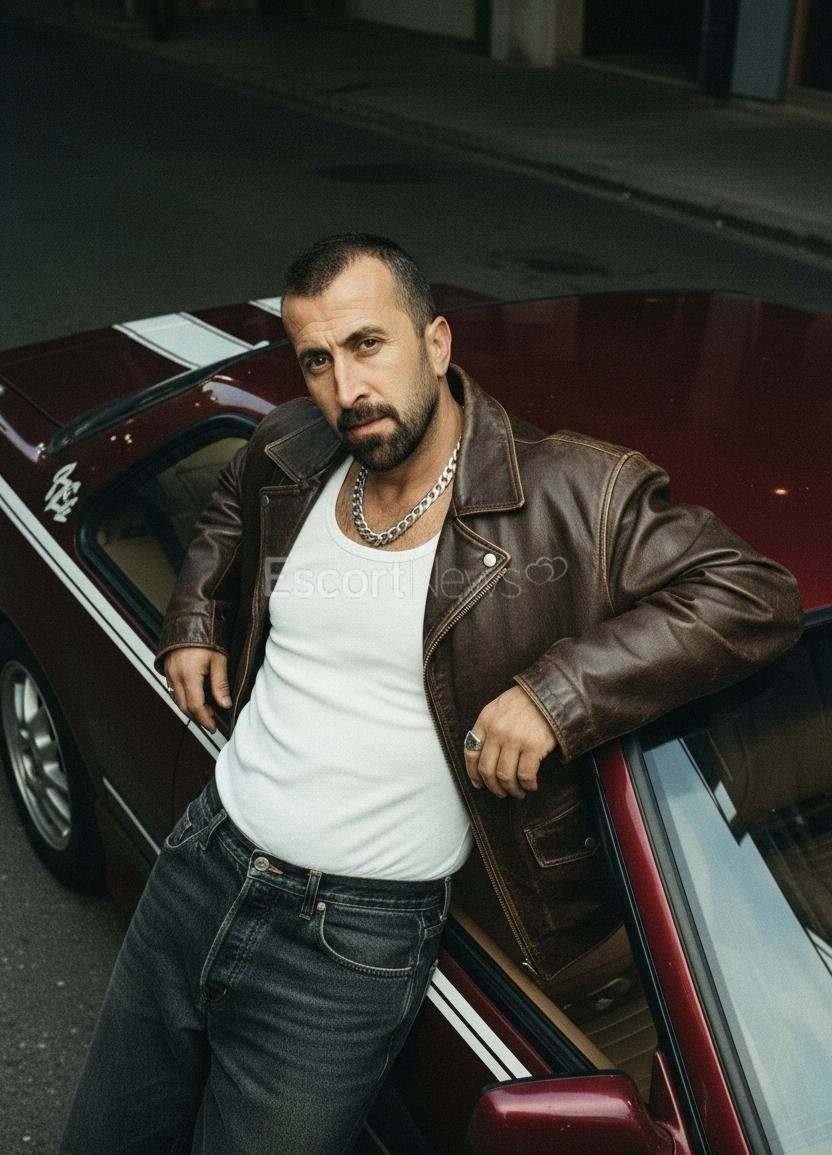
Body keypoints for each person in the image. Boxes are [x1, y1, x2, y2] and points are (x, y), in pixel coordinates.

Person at [60, 234, 802, 1155]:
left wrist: (557, 695)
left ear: (437, 342)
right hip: (203, 856)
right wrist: (194, 615)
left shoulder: (574, 491)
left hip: (350, 943)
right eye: (318, 360)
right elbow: (228, 505)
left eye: (368, 344)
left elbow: (753, 595)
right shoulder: (293, 446)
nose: (346, 388)